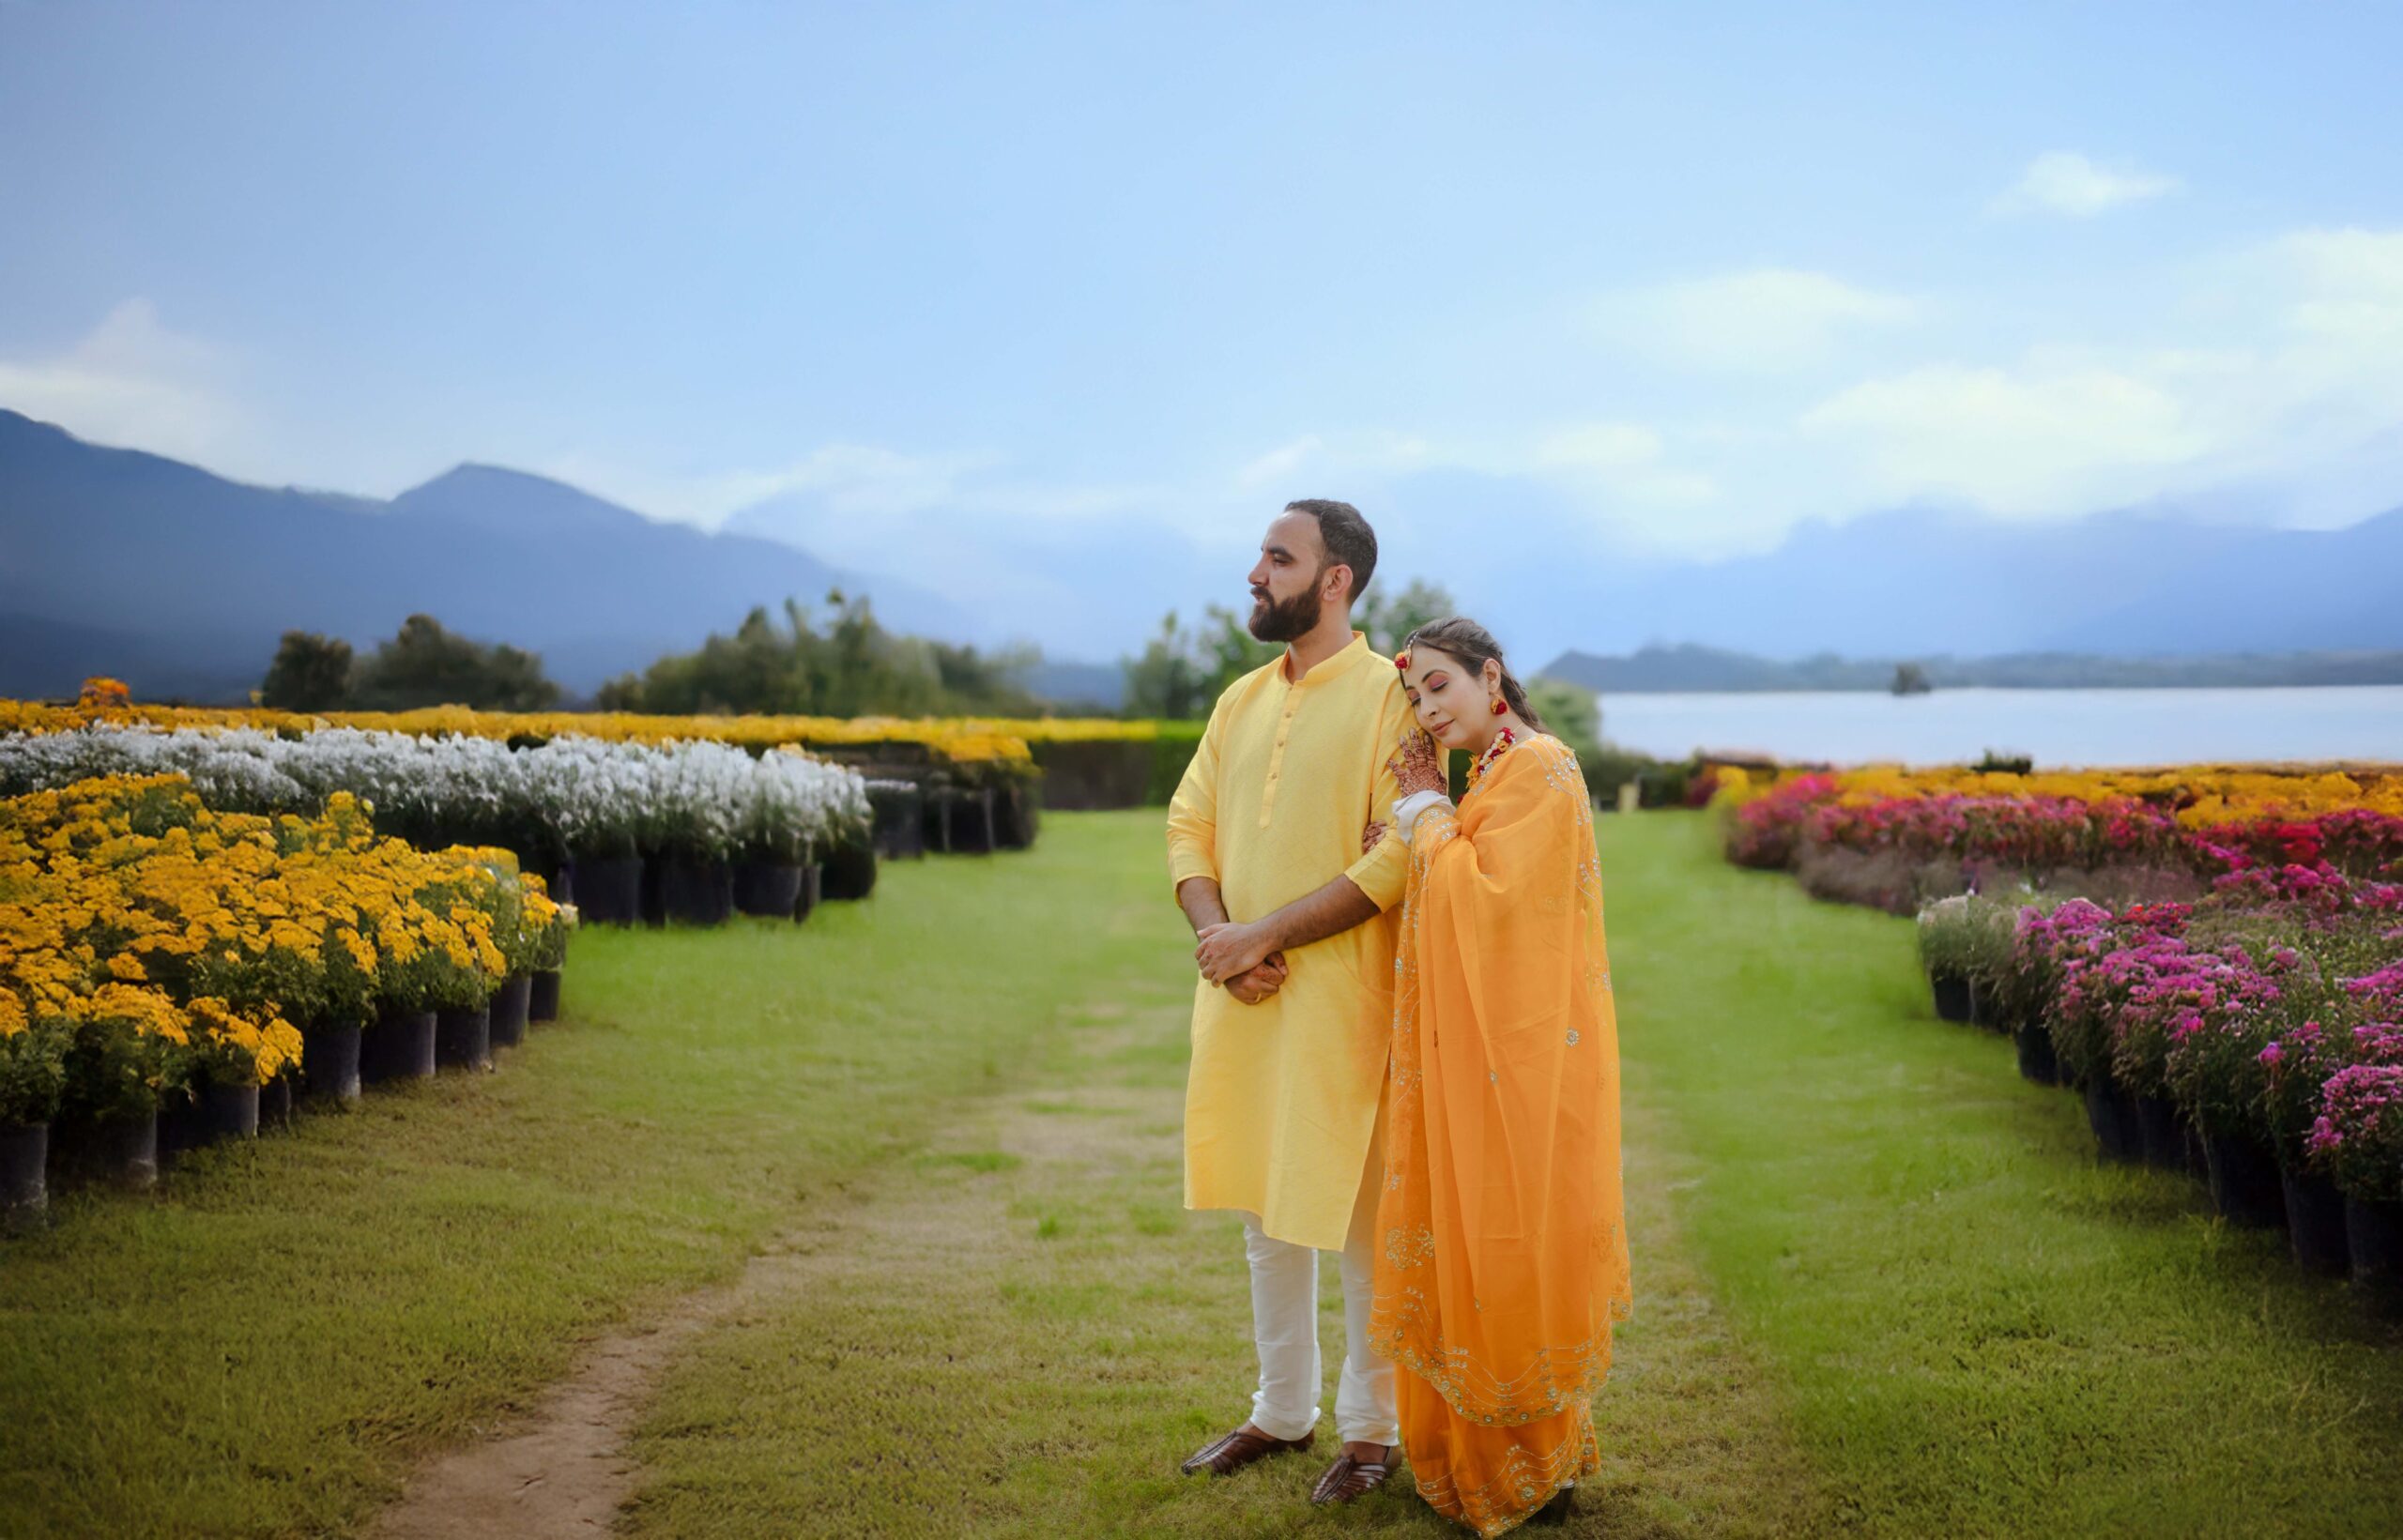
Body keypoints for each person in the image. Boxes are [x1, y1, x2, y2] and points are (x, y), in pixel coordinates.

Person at [1166, 498, 1416, 1506]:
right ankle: (1280, 1410)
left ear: (1335, 580)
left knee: (1357, 1218)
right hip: (1242, 998)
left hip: (1342, 1001)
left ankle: (1371, 1433)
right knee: (1266, 1213)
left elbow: (1399, 853)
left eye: (1278, 558)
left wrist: (1265, 935)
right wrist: (1220, 941)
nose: (1255, 574)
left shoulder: (1391, 696)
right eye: (1261, 556)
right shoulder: (1238, 700)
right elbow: (1188, 827)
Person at [1370, 617, 1632, 1536]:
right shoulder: (1488, 772)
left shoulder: (1543, 768)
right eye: (1414, 694)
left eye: (1438, 685)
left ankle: (1529, 1466)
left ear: (1490, 678)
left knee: (1514, 1243)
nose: (1426, 708)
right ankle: (1473, 1455)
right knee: (1466, 1239)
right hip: (1474, 1058)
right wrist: (1428, 812)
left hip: (1523, 1065)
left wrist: (1420, 811)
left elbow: (1487, 901)